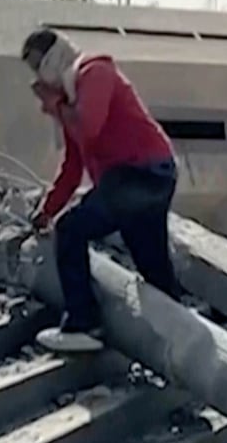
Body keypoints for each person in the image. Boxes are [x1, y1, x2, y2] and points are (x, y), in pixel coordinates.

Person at [22, 27, 183, 352]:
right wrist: (47, 210)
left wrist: (55, 105)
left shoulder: (95, 72)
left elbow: (90, 127)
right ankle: (177, 339)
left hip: (138, 174)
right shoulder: (71, 99)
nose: (37, 79)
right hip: (143, 178)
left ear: (53, 59)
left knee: (71, 231)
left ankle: (84, 323)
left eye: (38, 66)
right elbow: (72, 166)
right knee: (152, 266)